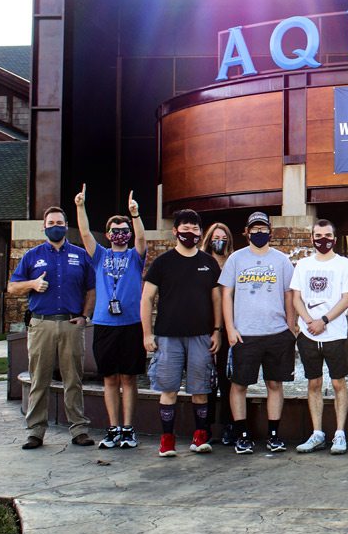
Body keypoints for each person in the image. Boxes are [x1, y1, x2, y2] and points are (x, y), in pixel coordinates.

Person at [8, 206, 96, 449]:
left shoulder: (80, 255)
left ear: (66, 226)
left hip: (70, 324)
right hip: (41, 324)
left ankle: (79, 428)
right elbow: (13, 287)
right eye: (51, 222)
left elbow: (91, 288)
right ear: (44, 227)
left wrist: (85, 316)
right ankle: (36, 431)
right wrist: (32, 284)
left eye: (59, 222)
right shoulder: (32, 255)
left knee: (73, 379)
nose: (55, 226)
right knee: (39, 379)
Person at [141, 209, 223, 457]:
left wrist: (217, 331)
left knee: (200, 389)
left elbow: (217, 299)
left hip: (201, 336)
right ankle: (167, 439)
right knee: (169, 389)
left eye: (195, 229)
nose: (191, 233)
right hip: (168, 336)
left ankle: (200, 437)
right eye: (185, 228)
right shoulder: (163, 263)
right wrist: (147, 334)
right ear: (175, 231)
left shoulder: (208, 263)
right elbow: (147, 299)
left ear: (200, 232)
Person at [75, 185, 147, 449]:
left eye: (123, 230)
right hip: (105, 324)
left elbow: (141, 241)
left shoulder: (134, 256)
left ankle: (128, 428)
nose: (120, 234)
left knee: (129, 378)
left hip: (131, 324)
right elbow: (83, 233)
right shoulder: (100, 255)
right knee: (109, 379)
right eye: (115, 231)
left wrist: (135, 215)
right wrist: (80, 206)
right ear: (107, 234)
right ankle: (113, 427)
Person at [221, 211, 296, 455]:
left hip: (276, 332)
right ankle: (242, 435)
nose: (259, 233)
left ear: (270, 232)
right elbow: (226, 295)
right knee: (239, 385)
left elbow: (288, 294)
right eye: (254, 229)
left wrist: (290, 327)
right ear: (247, 232)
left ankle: (274, 435)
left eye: (263, 229)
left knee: (274, 383)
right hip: (245, 333)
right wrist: (230, 328)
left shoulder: (282, 260)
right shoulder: (236, 259)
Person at [290, 219, 348, 455]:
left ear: (335, 239)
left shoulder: (345, 265)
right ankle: (317, 433)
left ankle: (339, 433)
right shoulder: (303, 265)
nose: (323, 240)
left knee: (338, 383)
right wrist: (309, 322)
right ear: (312, 239)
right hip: (308, 334)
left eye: (327, 235)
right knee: (314, 383)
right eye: (318, 236)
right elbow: (296, 297)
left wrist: (324, 321)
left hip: (334, 334)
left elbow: (346, 299)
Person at [200, 222, 235, 446]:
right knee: (207, 381)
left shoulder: (234, 263)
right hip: (205, 329)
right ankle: (205, 427)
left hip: (230, 329)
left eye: (223, 237)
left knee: (229, 380)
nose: (219, 241)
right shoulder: (202, 264)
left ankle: (229, 426)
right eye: (215, 237)